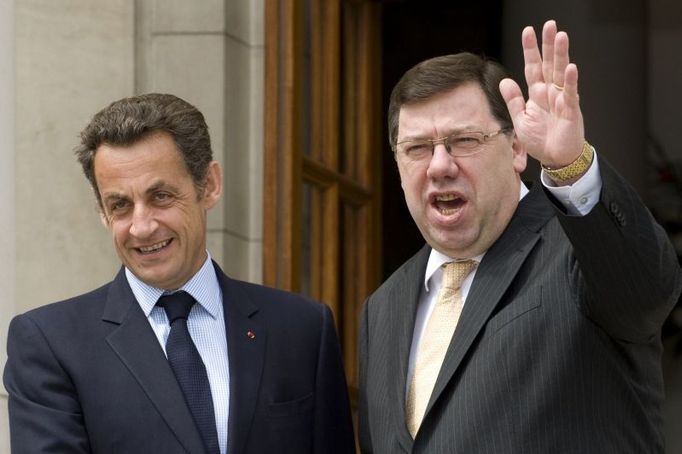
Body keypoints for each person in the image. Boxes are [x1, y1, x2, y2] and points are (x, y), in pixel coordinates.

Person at [359, 19, 682, 453]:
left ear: (516, 149)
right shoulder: (381, 309)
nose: (439, 166)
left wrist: (573, 165)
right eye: (417, 148)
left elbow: (645, 292)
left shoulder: (576, 252)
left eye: (464, 140)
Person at [4, 93, 355, 454]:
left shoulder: (302, 329)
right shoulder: (50, 343)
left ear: (210, 185)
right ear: (102, 213)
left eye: (160, 196)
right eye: (120, 205)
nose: (141, 227)